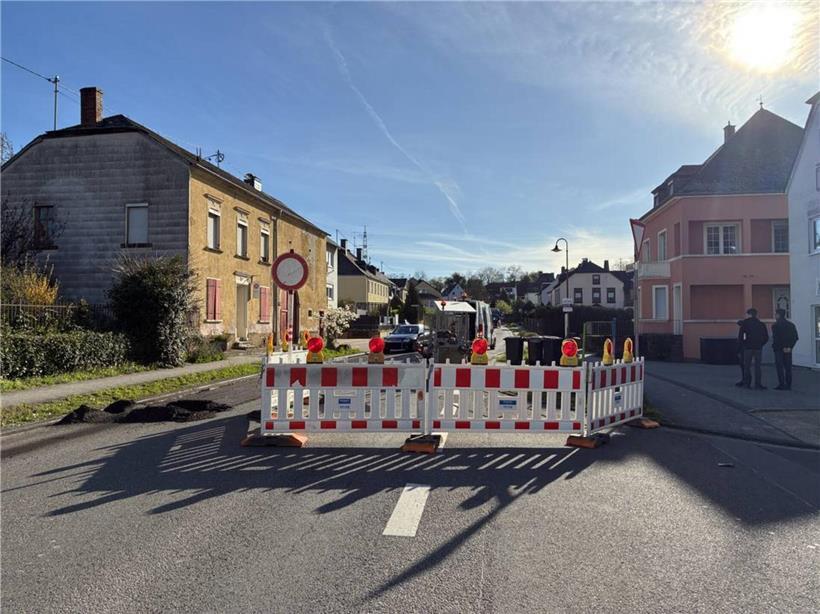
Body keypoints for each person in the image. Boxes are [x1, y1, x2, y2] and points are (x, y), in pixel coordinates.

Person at [736, 307, 768, 389]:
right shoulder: (761, 324)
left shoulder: (745, 324)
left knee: (747, 366)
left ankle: (747, 384)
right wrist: (761, 344)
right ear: (756, 314)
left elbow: (741, 337)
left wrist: (742, 345)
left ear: (749, 314)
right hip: (758, 347)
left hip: (748, 348)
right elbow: (765, 337)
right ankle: (758, 384)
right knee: (758, 367)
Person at [771, 308, 798, 390]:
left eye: (776, 314)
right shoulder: (791, 325)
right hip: (788, 349)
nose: (775, 316)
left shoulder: (775, 325)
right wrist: (790, 347)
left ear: (778, 315)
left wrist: (777, 346)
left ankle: (782, 384)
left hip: (779, 349)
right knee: (788, 368)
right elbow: (795, 337)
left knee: (779, 367)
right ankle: (788, 384)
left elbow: (777, 338)